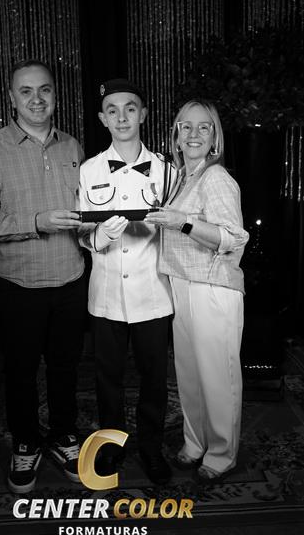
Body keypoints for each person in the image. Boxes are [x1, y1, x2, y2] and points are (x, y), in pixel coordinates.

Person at [0, 59, 86, 494]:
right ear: (12, 98)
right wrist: (37, 221)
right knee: (20, 371)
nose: (37, 99)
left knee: (66, 368)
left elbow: (85, 209)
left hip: (71, 278)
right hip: (16, 284)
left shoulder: (73, 146)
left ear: (56, 95)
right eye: (26, 91)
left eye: (45, 90)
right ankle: (26, 442)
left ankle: (64, 435)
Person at [145, 99, 249, 483]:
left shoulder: (216, 178)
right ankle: (194, 442)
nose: (193, 134)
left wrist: (182, 223)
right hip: (182, 284)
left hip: (213, 288)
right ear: (176, 135)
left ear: (214, 137)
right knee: (189, 375)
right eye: (185, 127)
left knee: (218, 377)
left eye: (203, 127)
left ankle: (221, 453)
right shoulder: (180, 179)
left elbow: (233, 237)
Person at [78, 78, 175, 485]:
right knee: (108, 379)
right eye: (113, 110)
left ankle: (151, 448)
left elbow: (177, 231)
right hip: (106, 295)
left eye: (130, 108)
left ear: (143, 115)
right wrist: (101, 236)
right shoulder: (89, 169)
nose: (122, 117)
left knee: (154, 379)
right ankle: (111, 448)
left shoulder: (168, 171)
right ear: (103, 119)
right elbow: (82, 232)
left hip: (153, 292)